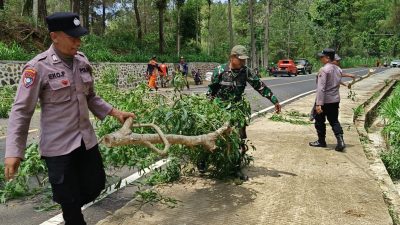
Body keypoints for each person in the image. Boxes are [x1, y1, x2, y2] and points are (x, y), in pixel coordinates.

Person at [3, 12, 136, 225]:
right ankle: (70, 208)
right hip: (58, 149)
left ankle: (69, 202)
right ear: (54, 36)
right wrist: (13, 152)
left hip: (86, 141)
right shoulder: (37, 67)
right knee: (71, 206)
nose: (78, 41)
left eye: (79, 37)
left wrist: (115, 112)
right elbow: (21, 111)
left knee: (96, 184)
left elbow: (91, 97)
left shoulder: (82, 61)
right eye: (72, 37)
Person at [206, 45, 281, 180]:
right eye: (240, 59)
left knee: (240, 140)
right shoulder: (220, 71)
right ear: (232, 57)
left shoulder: (245, 72)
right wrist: (207, 110)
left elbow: (260, 86)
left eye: (244, 60)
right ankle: (204, 161)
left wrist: (274, 100)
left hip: (237, 109)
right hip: (219, 110)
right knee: (214, 136)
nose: (243, 62)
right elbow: (211, 91)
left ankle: (236, 169)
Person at [309, 48, 346, 152]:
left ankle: (321, 141)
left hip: (324, 100)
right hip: (335, 100)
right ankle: (341, 141)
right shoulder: (338, 69)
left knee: (319, 121)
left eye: (322, 57)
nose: (321, 58)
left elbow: (321, 88)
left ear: (327, 58)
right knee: (334, 121)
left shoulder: (324, 70)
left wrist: (318, 104)